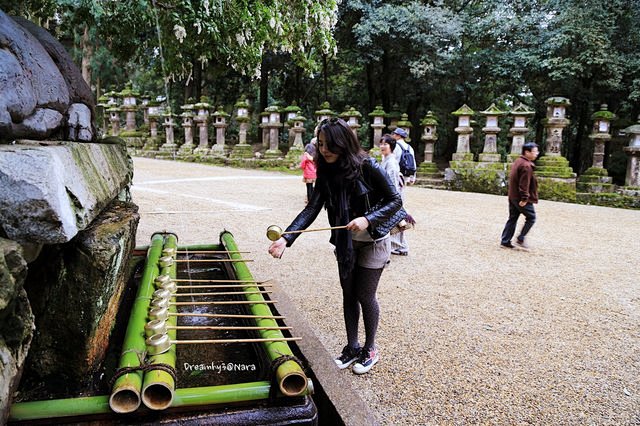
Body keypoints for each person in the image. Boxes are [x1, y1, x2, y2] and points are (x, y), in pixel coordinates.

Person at [268, 117, 402, 375]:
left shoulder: (367, 166)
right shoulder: (326, 172)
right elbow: (312, 208)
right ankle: (352, 347)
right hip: (345, 243)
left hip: (374, 240)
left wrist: (367, 218)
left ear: (344, 143)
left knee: (365, 294)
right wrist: (286, 237)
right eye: (320, 144)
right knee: (348, 294)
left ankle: (370, 348)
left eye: (329, 144)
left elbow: (394, 200)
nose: (324, 149)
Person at [500, 142, 540, 249]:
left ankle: (505, 240)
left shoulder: (519, 161)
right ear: (527, 152)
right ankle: (521, 238)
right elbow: (524, 184)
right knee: (531, 217)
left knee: (512, 218)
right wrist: (524, 198)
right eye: (535, 151)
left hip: (513, 195)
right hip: (519, 197)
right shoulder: (526, 166)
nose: (537, 154)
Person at [389, 128, 415, 255]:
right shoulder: (410, 148)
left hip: (396, 181)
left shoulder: (397, 147)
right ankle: (402, 245)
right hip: (403, 181)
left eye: (393, 134)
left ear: (398, 135)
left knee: (395, 214)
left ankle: (396, 245)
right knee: (398, 213)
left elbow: (394, 165)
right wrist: (411, 178)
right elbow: (413, 164)